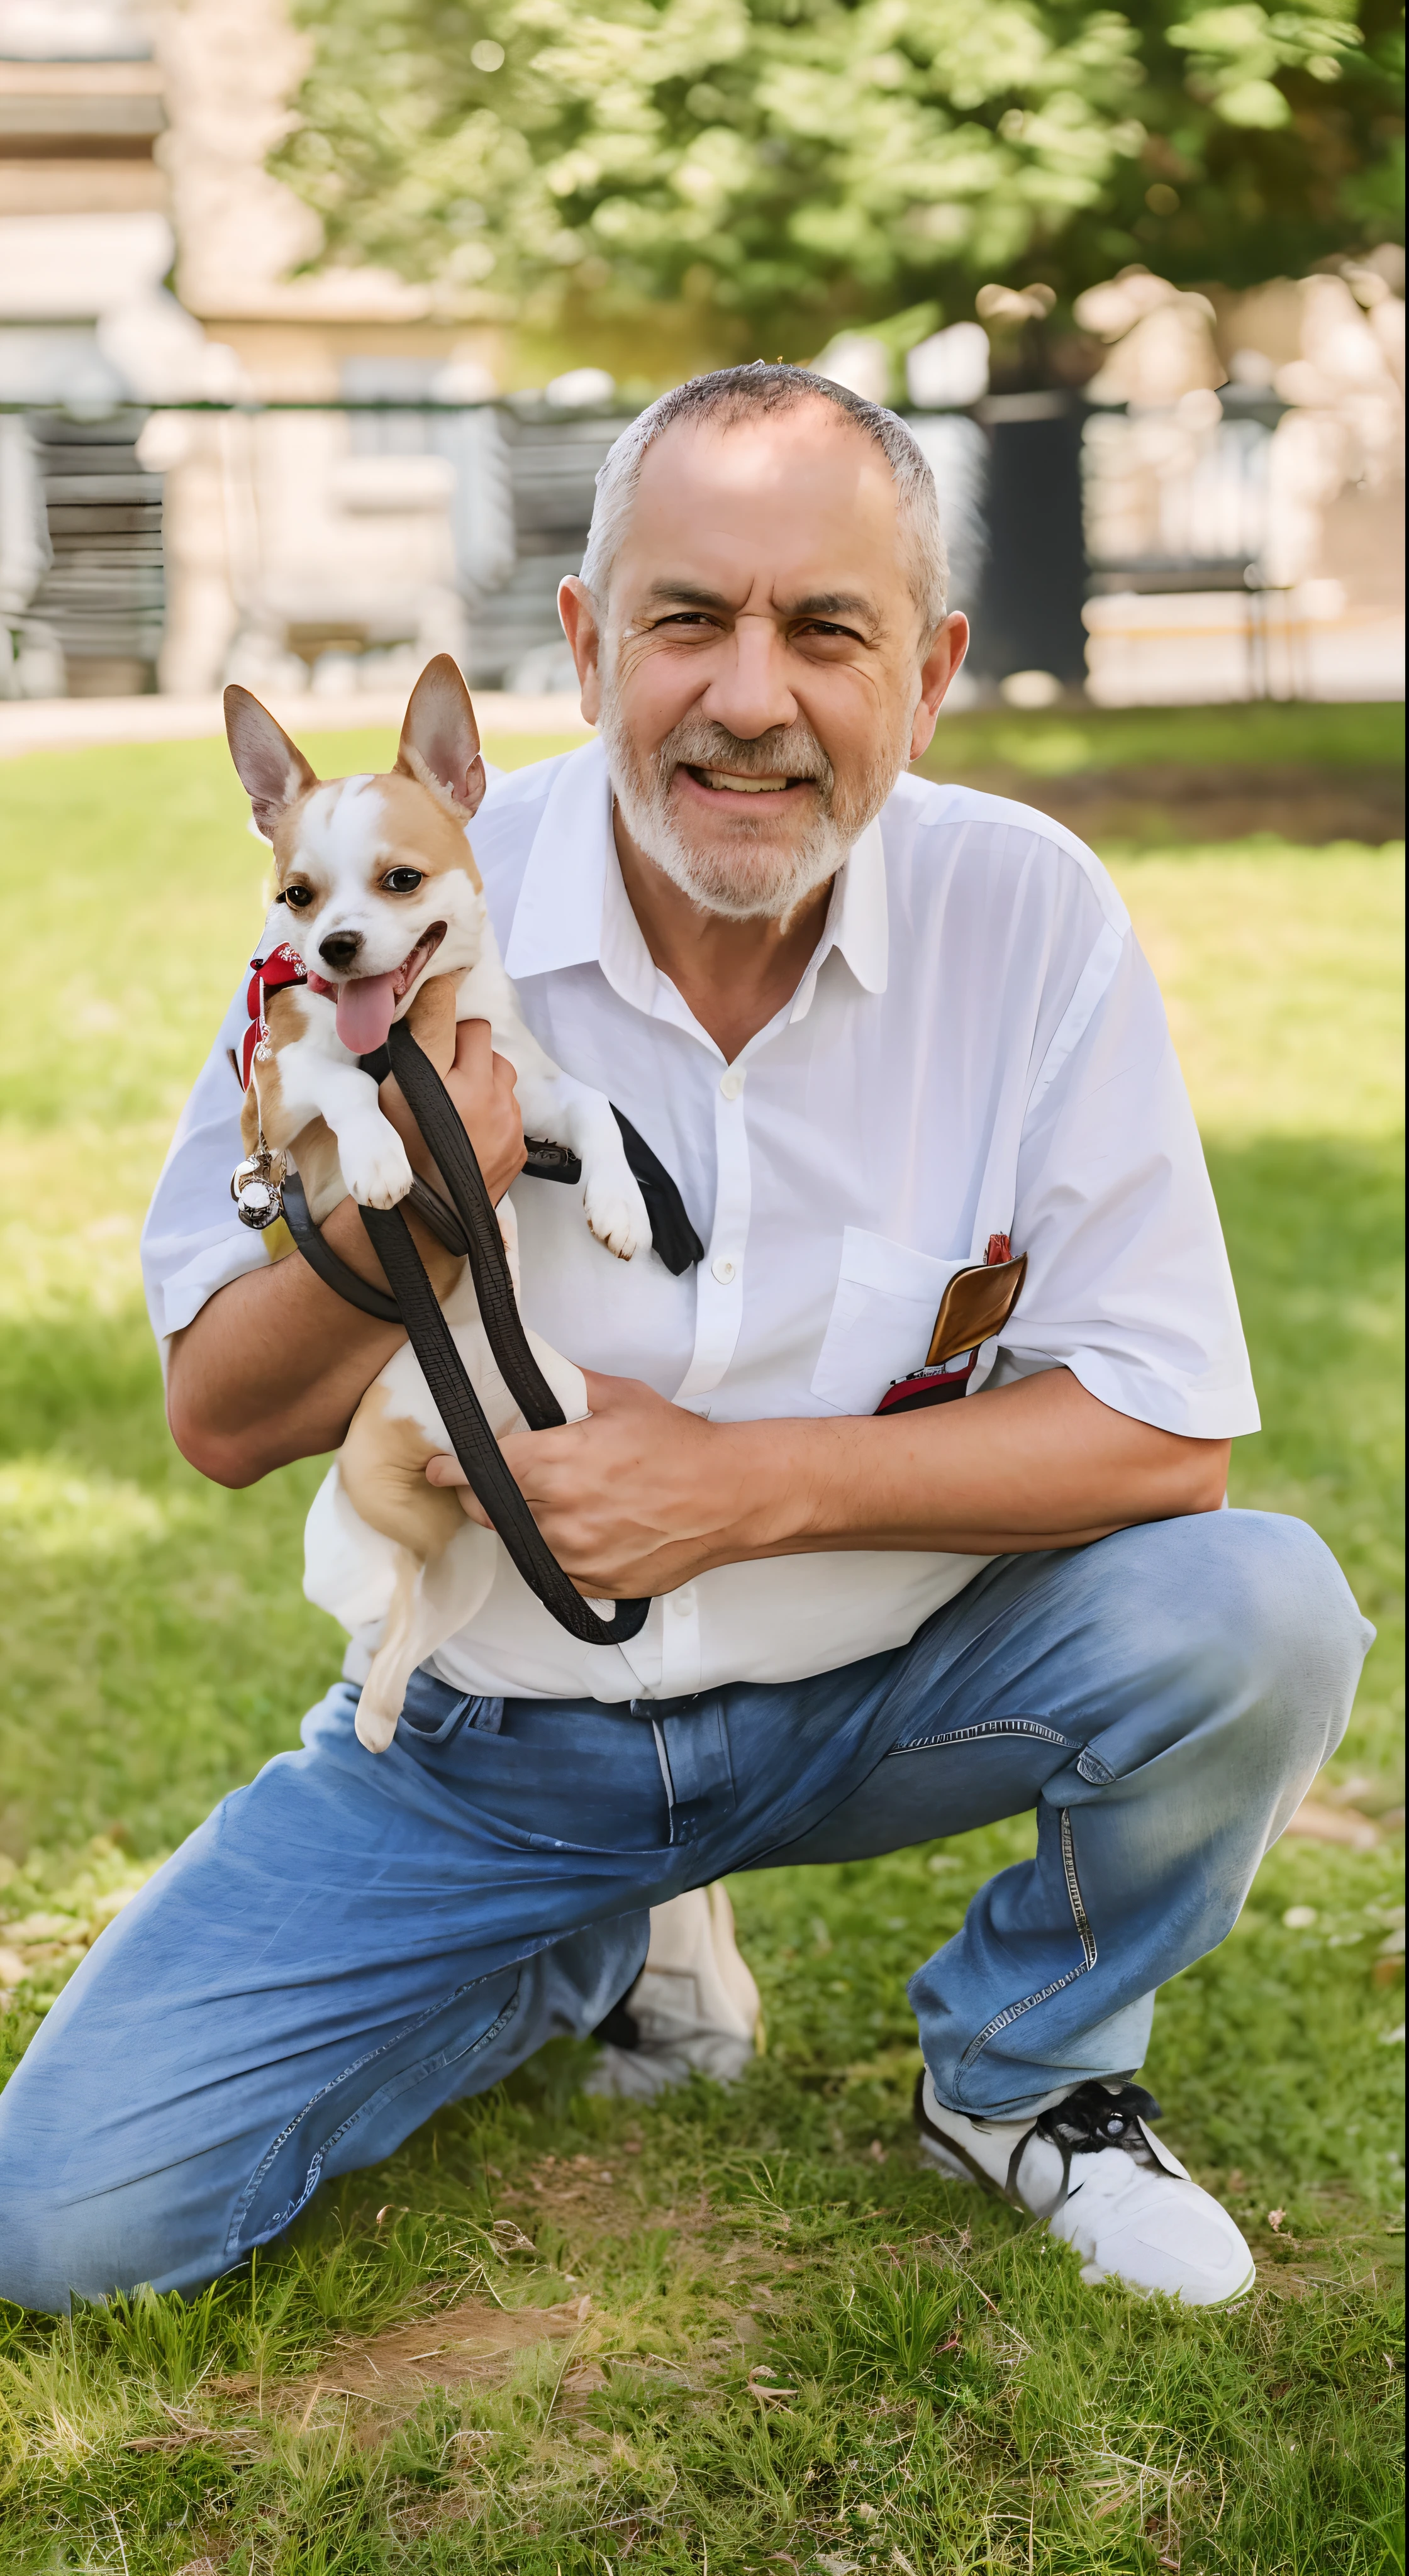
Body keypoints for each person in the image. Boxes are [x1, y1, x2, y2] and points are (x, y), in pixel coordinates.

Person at [0, 365, 1369, 2316]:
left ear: (932, 666)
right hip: (488, 1742)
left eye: (827, 630)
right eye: (686, 621)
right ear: (581, 642)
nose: (750, 695)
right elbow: (218, 1419)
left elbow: (1167, 1443)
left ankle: (1029, 2079)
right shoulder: (381, 915)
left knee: (1260, 1610)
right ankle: (582, 1939)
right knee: (68, 2231)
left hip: (885, 1696)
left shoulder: (1029, 916)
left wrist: (739, 1492)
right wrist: (404, 1221)